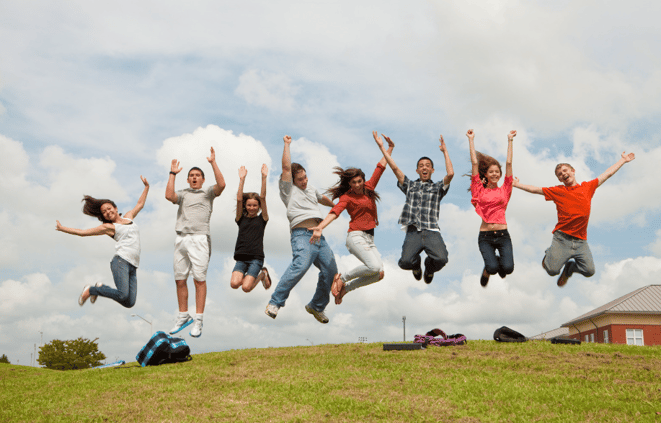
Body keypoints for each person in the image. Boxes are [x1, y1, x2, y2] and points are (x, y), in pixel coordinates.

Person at [513, 151, 635, 287]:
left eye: (565, 170)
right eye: (560, 174)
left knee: (589, 271)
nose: (563, 174)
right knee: (552, 270)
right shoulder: (558, 191)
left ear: (573, 171)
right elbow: (536, 190)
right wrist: (518, 185)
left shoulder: (587, 187)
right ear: (560, 179)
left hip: (581, 241)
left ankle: (570, 268)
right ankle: (550, 253)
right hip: (561, 238)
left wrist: (623, 161)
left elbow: (607, 174)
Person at [309, 132, 395, 304]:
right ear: (349, 184)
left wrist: (389, 148)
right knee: (375, 266)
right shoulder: (347, 197)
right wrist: (320, 227)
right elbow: (335, 212)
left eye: (359, 181)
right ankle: (342, 278)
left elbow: (381, 167)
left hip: (370, 238)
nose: (357, 185)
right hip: (356, 236)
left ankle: (345, 289)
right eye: (353, 182)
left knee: (379, 274)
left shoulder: (369, 188)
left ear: (363, 180)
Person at [265, 135, 338, 324]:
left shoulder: (311, 188)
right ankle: (275, 302)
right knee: (301, 265)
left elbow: (322, 199)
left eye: (305, 177)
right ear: (293, 181)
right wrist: (287, 145)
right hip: (302, 235)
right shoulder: (288, 190)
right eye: (300, 179)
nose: (304, 181)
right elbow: (286, 168)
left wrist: (337, 205)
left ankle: (316, 306)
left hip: (319, 236)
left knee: (331, 271)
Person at [56, 176, 150, 308]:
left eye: (109, 208)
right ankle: (91, 290)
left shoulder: (129, 217)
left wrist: (146, 187)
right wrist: (62, 228)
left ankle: (101, 288)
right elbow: (83, 232)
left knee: (129, 303)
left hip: (133, 265)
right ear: (103, 216)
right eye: (104, 212)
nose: (107, 212)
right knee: (123, 295)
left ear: (115, 208)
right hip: (121, 261)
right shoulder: (109, 227)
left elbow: (140, 204)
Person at [375, 132, 454, 284]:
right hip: (413, 231)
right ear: (417, 170)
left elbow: (450, 173)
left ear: (432, 170)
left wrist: (445, 151)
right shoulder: (410, 185)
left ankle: (429, 268)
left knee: (442, 258)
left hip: (431, 230)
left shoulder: (438, 188)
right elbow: (394, 168)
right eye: (421, 166)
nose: (424, 168)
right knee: (405, 262)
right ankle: (416, 265)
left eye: (428, 166)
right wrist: (382, 148)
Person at [165, 147, 226, 338]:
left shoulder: (207, 192)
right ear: (187, 179)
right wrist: (172, 174)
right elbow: (169, 196)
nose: (194, 177)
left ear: (203, 179)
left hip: (200, 238)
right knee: (179, 279)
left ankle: (198, 320)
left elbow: (222, 184)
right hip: (181, 238)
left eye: (197, 175)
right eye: (191, 175)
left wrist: (212, 162)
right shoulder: (183, 193)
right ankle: (183, 316)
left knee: (199, 280)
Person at [466, 129, 517, 287]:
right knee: (493, 268)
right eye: (491, 172)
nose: (495, 174)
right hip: (485, 236)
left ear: (500, 175)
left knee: (508, 269)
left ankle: (500, 263)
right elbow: (475, 163)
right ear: (486, 175)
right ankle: (489, 269)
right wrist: (471, 140)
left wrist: (510, 140)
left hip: (503, 235)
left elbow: (509, 163)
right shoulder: (478, 189)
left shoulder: (505, 189)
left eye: (497, 172)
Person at [230, 164, 271, 293]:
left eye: (254, 205)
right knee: (234, 284)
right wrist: (242, 179)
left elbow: (263, 197)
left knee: (246, 288)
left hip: (255, 258)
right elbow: (238, 199)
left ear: (258, 207)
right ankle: (255, 275)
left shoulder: (262, 219)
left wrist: (264, 177)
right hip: (241, 258)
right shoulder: (240, 218)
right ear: (245, 206)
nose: (252, 208)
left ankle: (262, 275)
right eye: (249, 205)